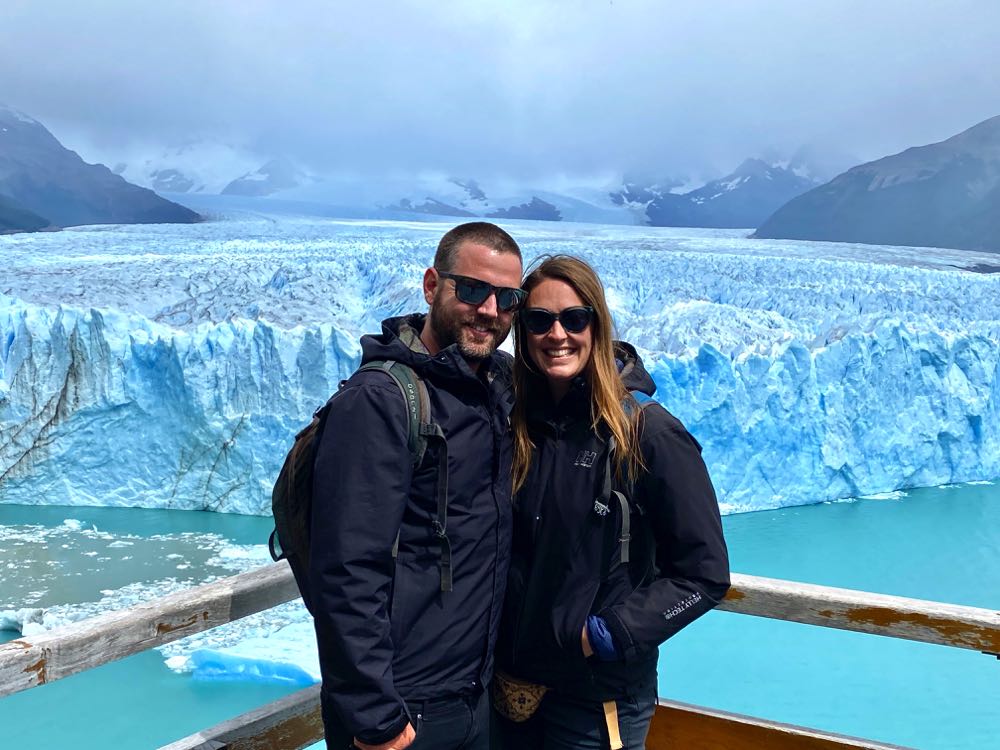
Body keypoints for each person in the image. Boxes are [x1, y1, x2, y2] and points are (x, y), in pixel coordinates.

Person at [493, 255, 730, 750]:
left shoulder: (647, 432)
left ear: (597, 325)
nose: (556, 333)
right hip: (510, 690)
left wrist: (609, 633)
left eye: (574, 318)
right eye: (539, 320)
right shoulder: (518, 423)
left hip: (596, 698)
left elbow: (705, 574)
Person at [309, 222, 525, 750]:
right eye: (472, 290)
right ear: (433, 287)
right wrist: (375, 715)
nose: (490, 311)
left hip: (473, 698)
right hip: (403, 714)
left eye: (508, 297)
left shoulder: (494, 386)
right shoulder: (380, 401)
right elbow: (346, 567)